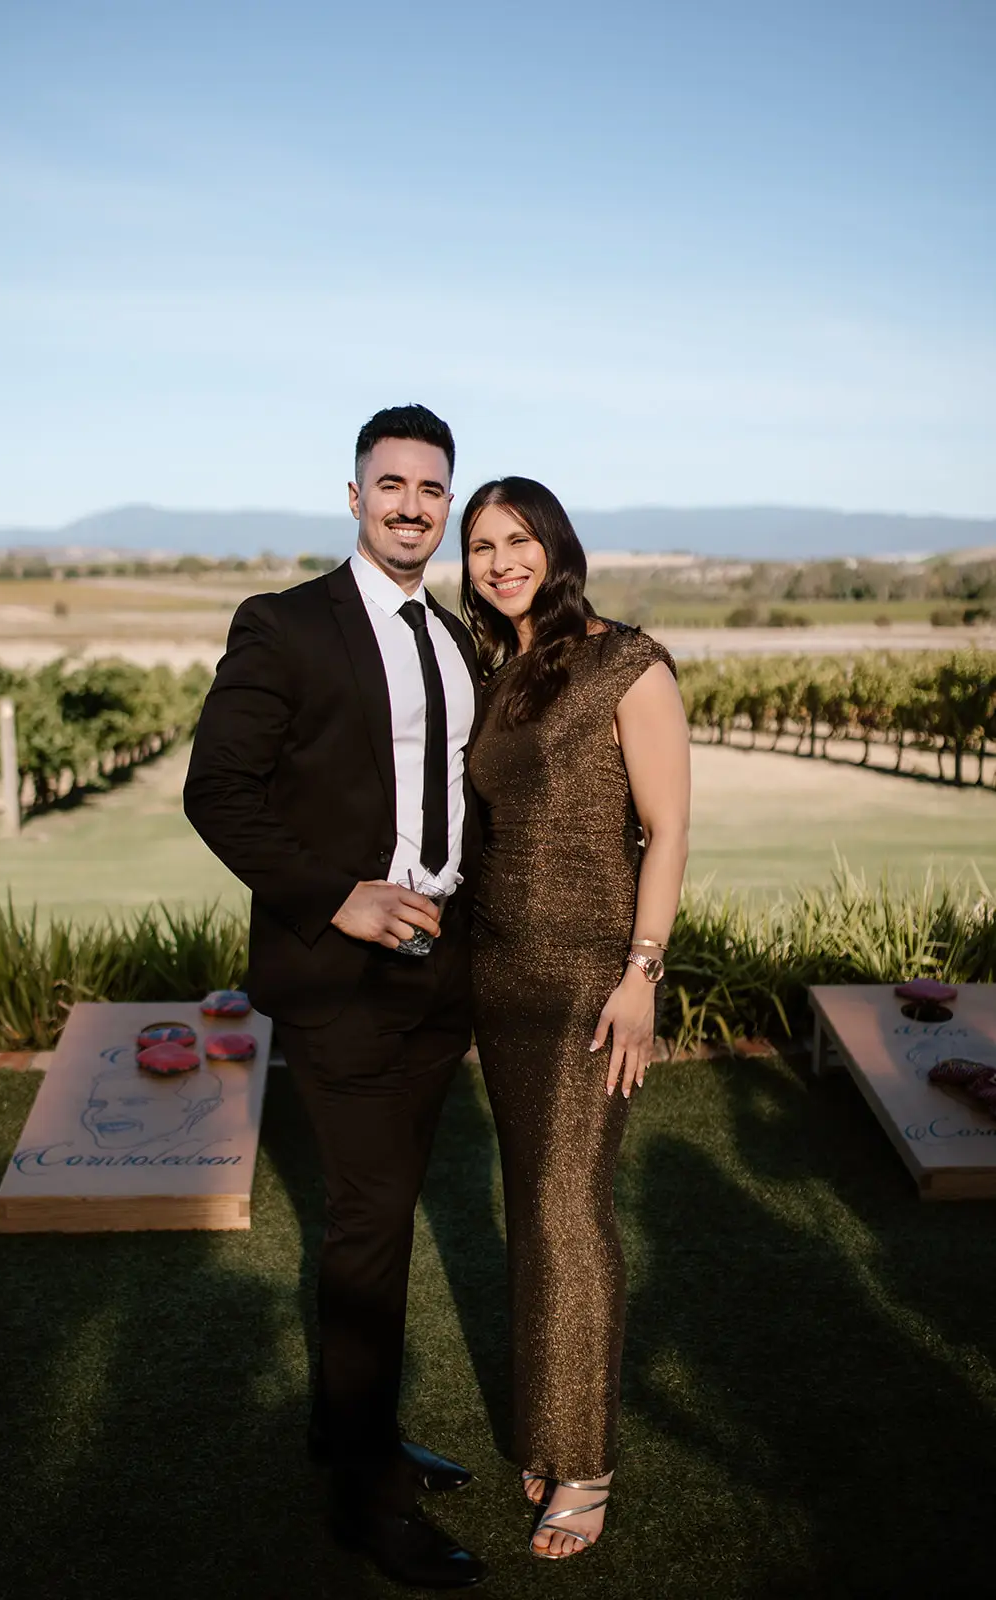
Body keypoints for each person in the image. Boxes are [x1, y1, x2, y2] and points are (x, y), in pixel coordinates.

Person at [184, 404, 487, 1590]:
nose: (411, 503)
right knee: (367, 1229)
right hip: (341, 979)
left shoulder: (455, 637)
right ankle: (365, 1501)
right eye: (390, 483)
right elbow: (219, 791)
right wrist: (337, 896)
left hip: (437, 978)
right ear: (352, 496)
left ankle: (345, 1427)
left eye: (430, 487)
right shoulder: (286, 624)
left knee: (384, 1212)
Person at [461, 476, 691, 1561]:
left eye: (516, 540)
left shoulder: (625, 662)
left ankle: (585, 1459)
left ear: (555, 546)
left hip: (589, 979)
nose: (499, 561)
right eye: (481, 546)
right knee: (529, 1205)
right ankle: (550, 1422)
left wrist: (641, 972)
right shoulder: (498, 672)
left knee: (567, 1207)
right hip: (497, 976)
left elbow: (667, 828)